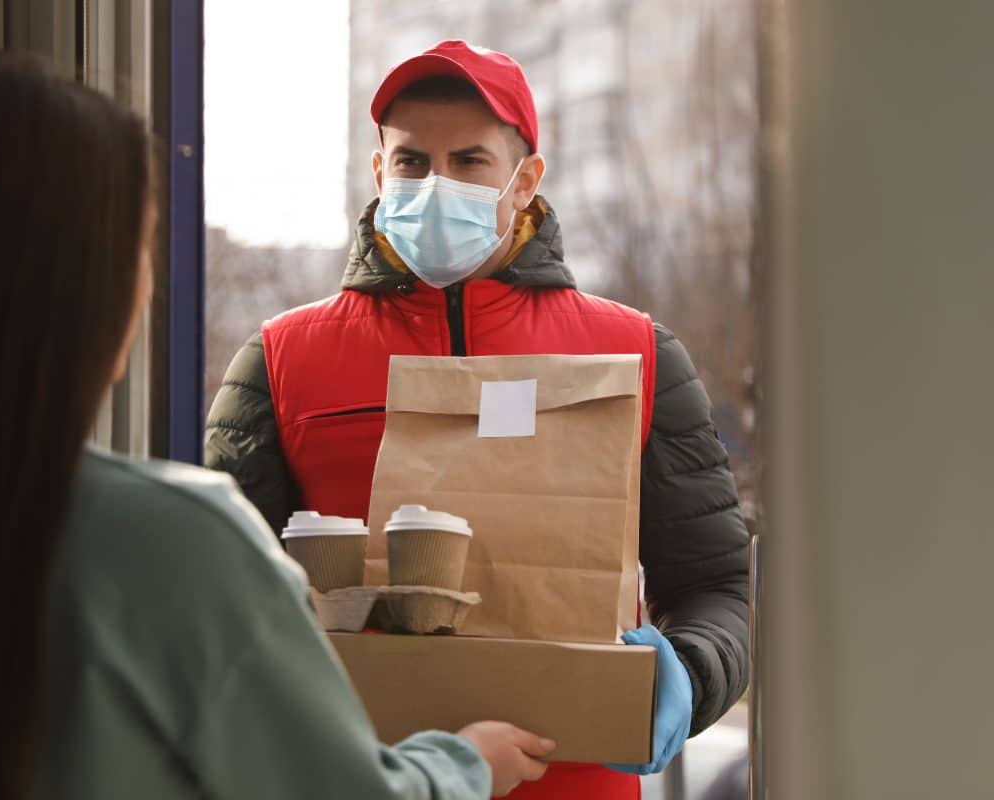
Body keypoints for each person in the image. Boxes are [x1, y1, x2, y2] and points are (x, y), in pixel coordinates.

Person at [0, 52, 554, 800]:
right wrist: (461, 767)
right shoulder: (180, 535)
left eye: (467, 161)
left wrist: (679, 664)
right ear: (98, 281)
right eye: (143, 246)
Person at [206, 40, 750, 799]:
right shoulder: (279, 362)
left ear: (526, 180)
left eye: (469, 162)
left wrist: (691, 671)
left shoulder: (636, 354)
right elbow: (217, 608)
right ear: (378, 171)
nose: (436, 186)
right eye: (412, 162)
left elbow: (717, 583)